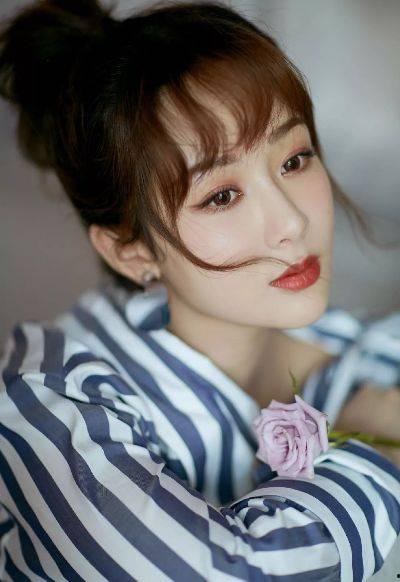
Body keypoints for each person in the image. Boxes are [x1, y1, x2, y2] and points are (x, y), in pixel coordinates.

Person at [0, 0, 399, 580]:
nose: (291, 222)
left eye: (294, 160)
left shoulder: (377, 360)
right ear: (130, 249)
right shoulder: (49, 400)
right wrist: (372, 445)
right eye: (221, 196)